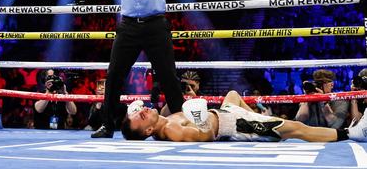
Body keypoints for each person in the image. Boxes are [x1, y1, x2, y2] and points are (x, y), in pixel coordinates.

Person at [92, 0, 184, 138]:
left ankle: (182, 120)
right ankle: (107, 124)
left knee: (168, 74)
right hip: (129, 26)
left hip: (155, 25)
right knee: (114, 74)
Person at [122, 89, 367, 143]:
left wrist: (131, 112)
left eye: (139, 110)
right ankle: (350, 133)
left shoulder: (164, 117)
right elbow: (205, 136)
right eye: (141, 116)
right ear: (149, 131)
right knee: (294, 127)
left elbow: (145, 112)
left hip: (226, 112)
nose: (142, 110)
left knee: (232, 93)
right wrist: (199, 119)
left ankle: (264, 122)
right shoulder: (172, 130)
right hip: (235, 124)